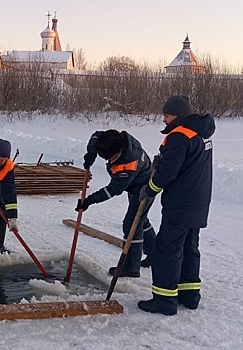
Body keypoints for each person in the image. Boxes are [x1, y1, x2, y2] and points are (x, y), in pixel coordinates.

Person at [137, 95, 215, 316]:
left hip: (180, 203)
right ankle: (189, 296)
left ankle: (164, 301)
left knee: (166, 250)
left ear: (178, 116)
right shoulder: (201, 134)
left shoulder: (179, 136)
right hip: (199, 201)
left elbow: (168, 173)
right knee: (189, 248)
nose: (164, 119)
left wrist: (150, 188)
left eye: (167, 115)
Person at [78, 130, 157, 277]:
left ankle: (132, 268)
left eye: (109, 159)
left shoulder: (127, 165)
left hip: (143, 188)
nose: (108, 162)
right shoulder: (117, 138)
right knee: (140, 220)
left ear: (117, 153)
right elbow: (96, 135)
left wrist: (90, 200)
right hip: (138, 179)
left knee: (131, 224)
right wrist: (91, 153)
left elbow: (112, 190)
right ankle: (154, 254)